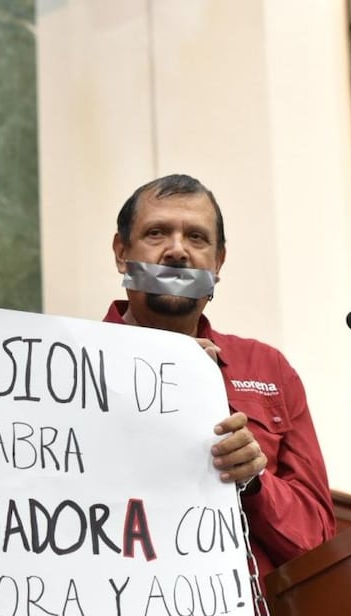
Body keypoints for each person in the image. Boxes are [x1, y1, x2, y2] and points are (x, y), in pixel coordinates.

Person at [105, 174, 335, 584]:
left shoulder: (269, 369)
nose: (177, 251)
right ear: (122, 254)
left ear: (218, 263)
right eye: (157, 233)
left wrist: (253, 479)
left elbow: (316, 541)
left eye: (196, 238)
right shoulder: (70, 366)